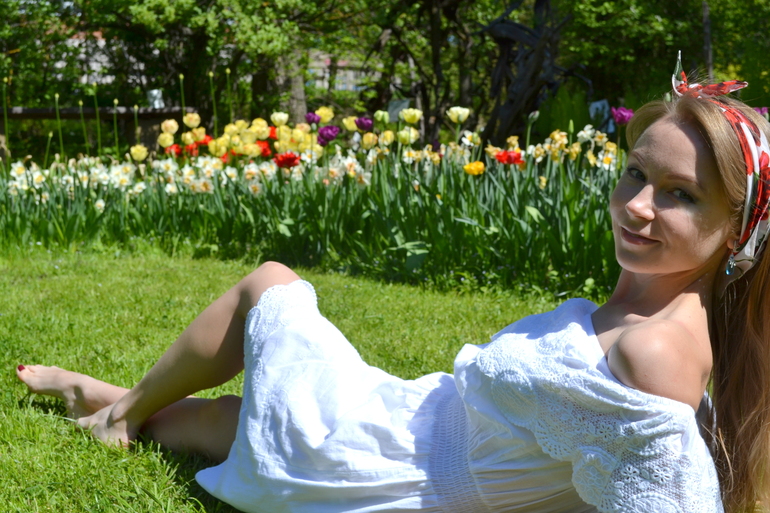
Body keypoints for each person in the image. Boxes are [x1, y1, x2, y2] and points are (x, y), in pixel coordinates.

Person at [15, 58, 770, 513]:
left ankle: (119, 416)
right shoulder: (654, 311)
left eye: (680, 195)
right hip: (411, 415)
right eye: (636, 173)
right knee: (239, 418)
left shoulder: (658, 350)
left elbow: (658, 492)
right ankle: (112, 400)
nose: (637, 205)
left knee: (270, 284)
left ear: (737, 228)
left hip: (393, 471)